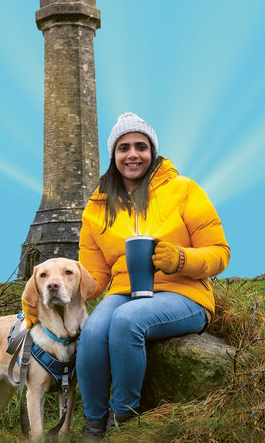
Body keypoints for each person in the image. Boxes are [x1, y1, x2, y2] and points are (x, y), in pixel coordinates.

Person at [76, 112, 230, 441]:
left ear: (153, 152)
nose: (133, 154)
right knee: (91, 332)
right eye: (124, 148)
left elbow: (219, 252)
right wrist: (57, 293)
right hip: (122, 291)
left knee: (128, 320)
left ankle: (123, 421)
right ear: (113, 155)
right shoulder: (97, 206)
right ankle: (93, 425)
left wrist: (182, 258)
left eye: (141, 147)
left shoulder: (184, 189)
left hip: (185, 294)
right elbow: (94, 275)